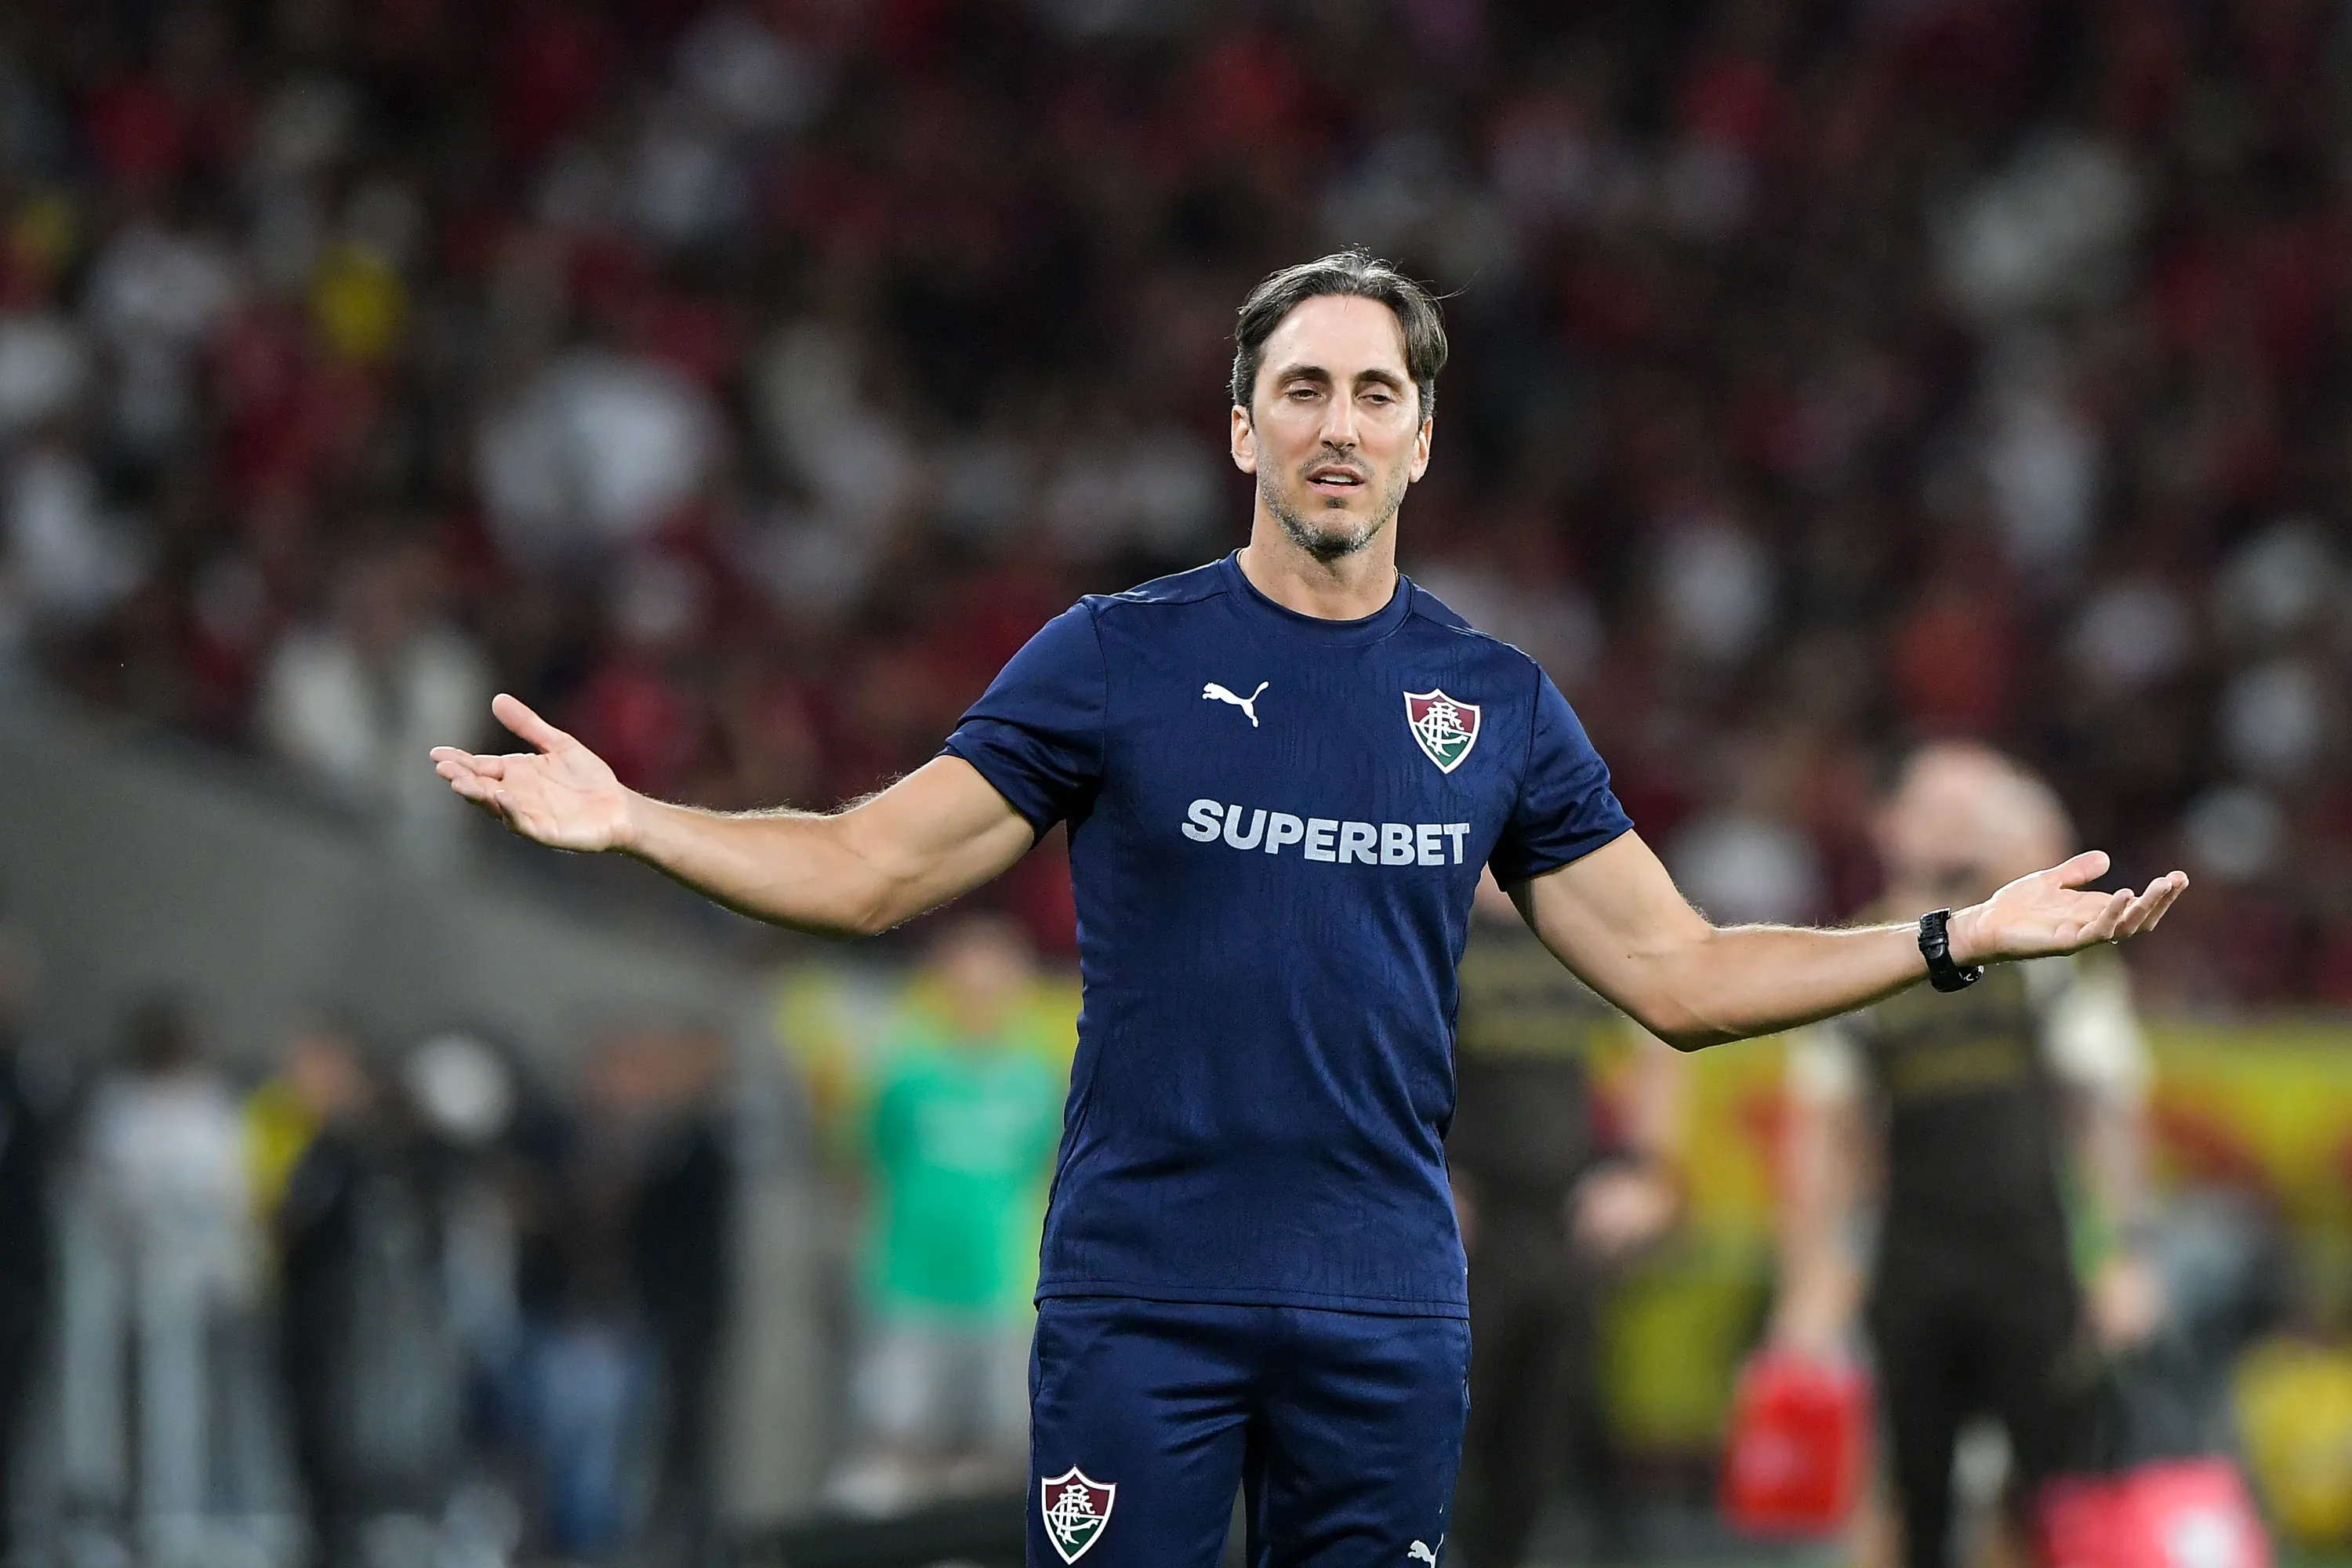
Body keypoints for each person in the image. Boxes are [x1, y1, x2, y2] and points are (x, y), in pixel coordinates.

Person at [432, 250, 2188, 1567]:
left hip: (1385, 1304)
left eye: (1373, 394)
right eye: (1303, 388)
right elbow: (876, 865)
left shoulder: (1496, 706)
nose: (1336, 424)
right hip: (1145, 1292)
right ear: (1239, 427)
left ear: (1424, 439)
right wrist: (643, 819)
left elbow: (1680, 973)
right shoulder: (1114, 659)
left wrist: (1954, 940)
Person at [1773, 744, 2163, 1568]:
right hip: (1912, 1263)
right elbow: (1826, 1133)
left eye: (1974, 811)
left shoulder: (2048, 950)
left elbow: (2104, 1112)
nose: (1957, 827)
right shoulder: (1854, 959)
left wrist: (2126, 1254)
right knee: (1911, 1493)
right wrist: (1810, 1277)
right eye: (1939, 808)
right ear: (1891, 823)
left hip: (2034, 1257)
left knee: (2050, 1494)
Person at [1448, 873, 1683, 1568]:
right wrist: (1415, 1170)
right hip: (1462, 1228)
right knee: (1438, 1441)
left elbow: (1665, 1028)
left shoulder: (1575, 933)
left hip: (1566, 1227)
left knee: (1543, 1456)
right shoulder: (1431, 918)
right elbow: (1368, 1042)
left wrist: (1647, 1169)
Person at [829, 916, 1065, 1515]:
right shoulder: (905, 1075)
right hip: (908, 1284)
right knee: (894, 1441)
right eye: (968, 980)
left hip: (1000, 1291)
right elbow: (865, 1166)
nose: (981, 996)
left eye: (996, 983)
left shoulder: (1035, 1081)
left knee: (997, 1450)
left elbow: (1047, 1175)